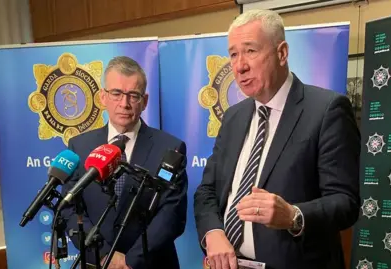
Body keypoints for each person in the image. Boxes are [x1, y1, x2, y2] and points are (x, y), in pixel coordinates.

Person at [194, 9, 361, 269]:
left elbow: (345, 202)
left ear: (282, 53)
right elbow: (207, 191)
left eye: (250, 51)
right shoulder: (233, 117)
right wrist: (213, 233)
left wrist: (294, 216)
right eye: (233, 54)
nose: (240, 66)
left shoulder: (327, 109)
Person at [61, 56, 188, 269]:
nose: (124, 104)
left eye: (133, 95)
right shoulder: (79, 146)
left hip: (151, 264)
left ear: (145, 101)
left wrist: (129, 261)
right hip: (97, 263)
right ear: (103, 96)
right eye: (117, 93)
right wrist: (103, 255)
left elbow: (172, 215)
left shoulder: (170, 148)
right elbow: (70, 209)